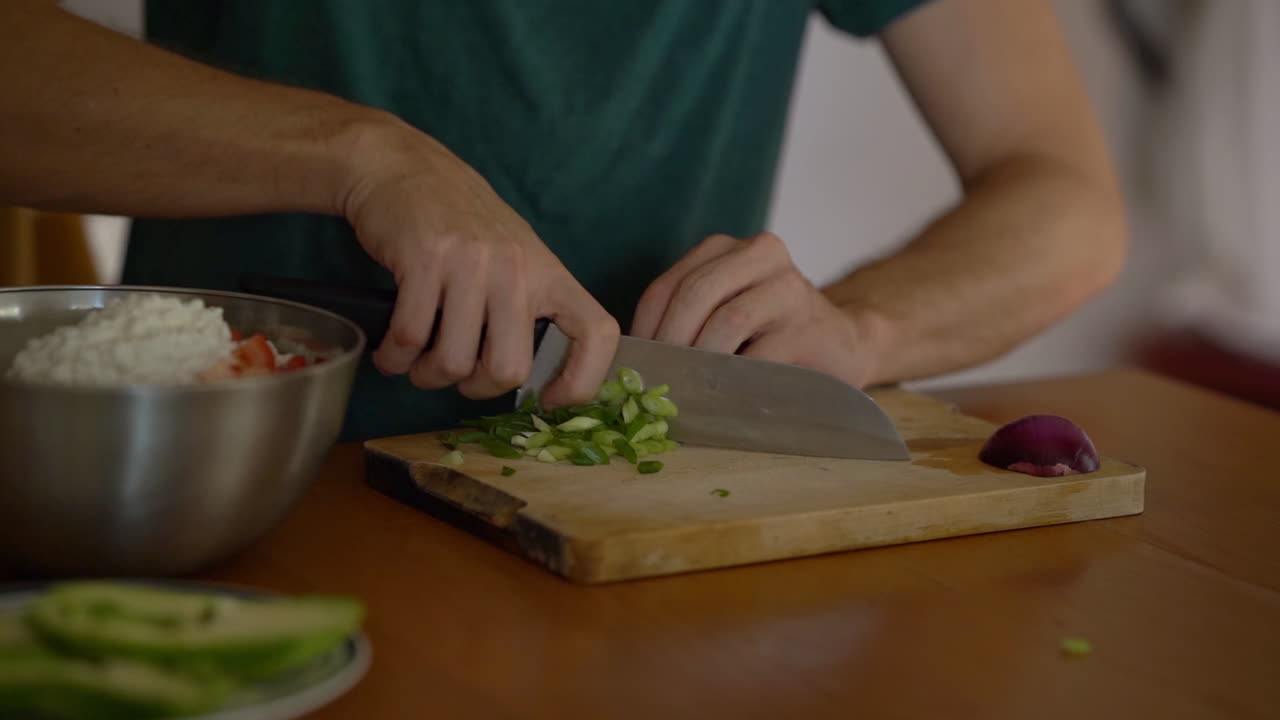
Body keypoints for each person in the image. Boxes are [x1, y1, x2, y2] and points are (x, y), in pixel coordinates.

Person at [0, 0, 1126, 441]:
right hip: (231, 487)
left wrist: (863, 332)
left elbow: (1065, 197)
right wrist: (362, 157)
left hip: (633, 511)